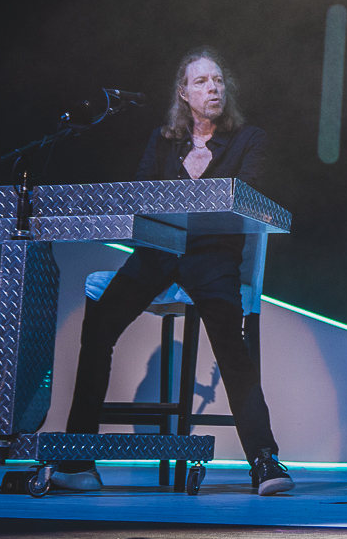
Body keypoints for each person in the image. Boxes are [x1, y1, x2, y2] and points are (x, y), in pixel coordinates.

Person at [53, 47, 293, 495]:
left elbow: (246, 193)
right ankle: (76, 460)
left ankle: (264, 460)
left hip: (213, 256)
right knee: (100, 326)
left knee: (230, 343)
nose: (213, 88)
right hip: (159, 253)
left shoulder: (248, 138)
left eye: (218, 80)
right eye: (202, 82)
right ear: (184, 94)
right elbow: (143, 192)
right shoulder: (164, 140)